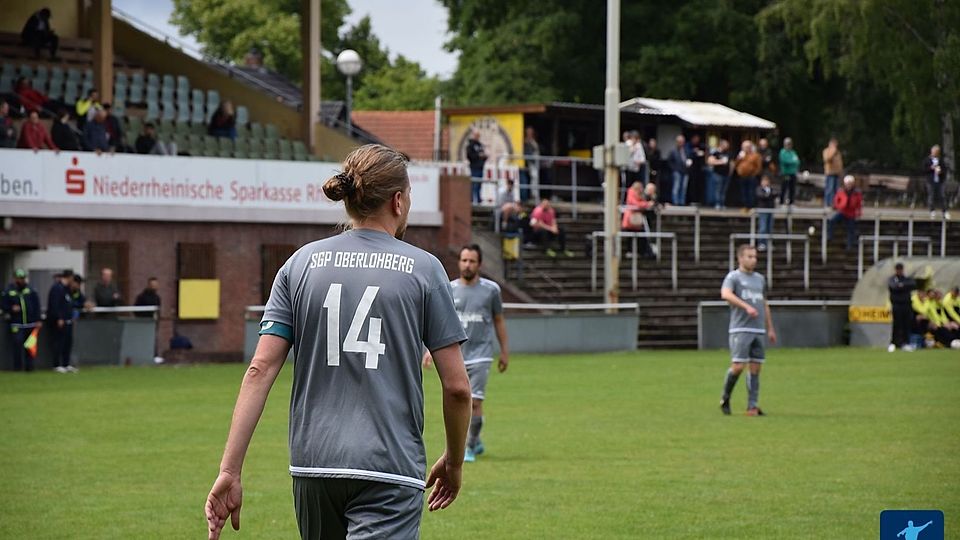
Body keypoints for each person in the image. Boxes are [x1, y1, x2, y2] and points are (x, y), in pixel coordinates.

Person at [205, 144, 472, 540]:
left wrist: (229, 470)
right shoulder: (424, 269)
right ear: (398, 202)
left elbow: (259, 370)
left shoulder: (298, 265)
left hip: (313, 467)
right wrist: (453, 460)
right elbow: (457, 388)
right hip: (388, 468)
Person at [423, 245, 509, 463]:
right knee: (463, 400)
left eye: (471, 261)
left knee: (474, 402)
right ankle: (476, 439)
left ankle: (468, 447)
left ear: (479, 264)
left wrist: (504, 352)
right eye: (464, 260)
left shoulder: (492, 290)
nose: (467, 265)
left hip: (481, 354)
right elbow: (439, 324)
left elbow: (498, 320)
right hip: (457, 356)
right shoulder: (449, 288)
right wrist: (429, 351)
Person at [720, 244, 776, 416]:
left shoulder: (759, 279)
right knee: (738, 366)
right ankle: (725, 398)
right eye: (750, 256)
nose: (753, 260)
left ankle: (752, 406)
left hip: (758, 329)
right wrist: (746, 307)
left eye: (755, 257)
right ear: (740, 258)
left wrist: (770, 328)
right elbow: (726, 294)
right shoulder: (733, 277)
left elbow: (763, 303)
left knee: (755, 367)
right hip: (741, 328)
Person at [2, 269, 42, 372]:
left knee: (30, 346)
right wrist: (11, 308)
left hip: (30, 323)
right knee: (17, 344)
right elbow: (3, 305)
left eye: (23, 278)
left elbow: (37, 306)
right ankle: (17, 367)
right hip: (17, 323)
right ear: (15, 278)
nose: (21, 280)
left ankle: (29, 367)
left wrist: (38, 319)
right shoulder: (8, 291)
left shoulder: (31, 290)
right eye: (19, 278)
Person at [46, 270, 77, 373]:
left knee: (68, 342)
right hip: (59, 321)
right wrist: (58, 318)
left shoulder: (67, 289)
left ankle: (66, 363)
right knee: (58, 342)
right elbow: (54, 305)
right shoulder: (56, 288)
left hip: (68, 321)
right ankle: (56, 364)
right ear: (68, 277)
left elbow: (70, 303)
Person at [827, 175, 862, 250]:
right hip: (842, 211)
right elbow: (836, 200)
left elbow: (859, 204)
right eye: (847, 183)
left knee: (851, 230)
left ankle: (849, 246)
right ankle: (829, 236)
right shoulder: (841, 191)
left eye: (850, 183)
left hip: (851, 213)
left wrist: (858, 213)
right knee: (831, 221)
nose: (849, 185)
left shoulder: (856, 193)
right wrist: (838, 206)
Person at [887, 263, 916, 352]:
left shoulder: (906, 279)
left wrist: (901, 285)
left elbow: (912, 284)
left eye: (901, 269)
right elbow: (893, 287)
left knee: (906, 325)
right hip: (896, 305)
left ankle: (905, 343)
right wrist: (902, 286)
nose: (899, 271)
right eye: (898, 269)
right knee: (896, 325)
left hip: (906, 305)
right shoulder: (892, 279)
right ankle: (893, 343)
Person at [923, 144, 950, 220]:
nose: (935, 153)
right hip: (930, 181)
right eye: (934, 151)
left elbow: (945, 170)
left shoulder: (941, 161)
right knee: (931, 196)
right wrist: (931, 168)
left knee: (942, 196)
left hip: (940, 181)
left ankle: (945, 211)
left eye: (936, 152)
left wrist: (940, 172)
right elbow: (923, 170)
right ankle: (932, 211)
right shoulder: (927, 160)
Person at [734, 141, 762, 209]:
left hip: (751, 176)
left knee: (751, 192)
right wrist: (739, 158)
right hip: (742, 176)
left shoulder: (755, 155)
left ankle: (751, 206)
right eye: (744, 147)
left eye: (747, 147)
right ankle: (744, 206)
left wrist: (754, 174)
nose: (745, 148)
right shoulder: (741, 155)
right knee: (743, 192)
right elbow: (735, 164)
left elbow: (759, 166)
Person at [707, 139, 732, 209]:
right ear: (722, 145)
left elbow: (731, 163)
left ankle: (722, 203)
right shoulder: (715, 152)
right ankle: (717, 203)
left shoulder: (728, 153)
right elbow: (710, 161)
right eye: (726, 145)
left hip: (726, 175)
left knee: (724, 190)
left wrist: (730, 172)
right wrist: (721, 162)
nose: (727, 147)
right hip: (718, 174)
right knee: (718, 189)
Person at [466, 129, 487, 205]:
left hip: (480, 167)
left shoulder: (480, 145)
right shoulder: (470, 145)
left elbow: (483, 154)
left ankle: (478, 199)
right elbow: (469, 156)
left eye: (478, 135)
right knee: (474, 183)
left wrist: (484, 157)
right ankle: (471, 200)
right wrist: (478, 156)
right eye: (476, 135)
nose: (477, 137)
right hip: (474, 167)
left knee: (479, 184)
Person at [667, 135, 690, 206]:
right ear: (677, 142)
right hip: (677, 171)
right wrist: (674, 169)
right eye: (679, 142)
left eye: (682, 142)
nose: (681, 143)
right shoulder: (673, 151)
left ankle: (681, 202)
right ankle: (675, 202)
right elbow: (669, 161)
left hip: (685, 171)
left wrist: (689, 163)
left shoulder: (686, 150)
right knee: (676, 187)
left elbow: (689, 158)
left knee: (683, 188)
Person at [756, 175, 777, 251]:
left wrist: (768, 195)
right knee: (763, 228)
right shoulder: (759, 189)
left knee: (770, 228)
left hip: (770, 210)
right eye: (763, 181)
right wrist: (768, 196)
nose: (765, 182)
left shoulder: (771, 189)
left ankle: (769, 243)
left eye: (766, 181)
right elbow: (761, 196)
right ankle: (762, 243)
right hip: (763, 210)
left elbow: (775, 194)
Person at [520, 126, 540, 202]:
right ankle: (533, 195)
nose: (530, 133)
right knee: (533, 177)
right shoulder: (526, 141)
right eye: (528, 132)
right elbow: (526, 152)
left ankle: (535, 194)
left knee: (535, 178)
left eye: (531, 132)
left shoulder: (533, 140)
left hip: (535, 162)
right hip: (530, 162)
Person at [822, 137, 843, 208]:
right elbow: (827, 159)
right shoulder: (826, 151)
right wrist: (833, 152)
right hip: (830, 173)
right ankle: (827, 203)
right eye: (834, 144)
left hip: (837, 173)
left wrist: (840, 172)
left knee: (836, 189)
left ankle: (835, 204)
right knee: (829, 189)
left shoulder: (838, 153)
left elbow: (840, 163)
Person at [778, 137, 800, 205]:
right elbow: (785, 161)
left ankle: (791, 202)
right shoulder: (782, 152)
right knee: (784, 187)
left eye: (790, 144)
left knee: (792, 188)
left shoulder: (793, 152)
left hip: (793, 173)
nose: (789, 145)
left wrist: (793, 162)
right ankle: (781, 201)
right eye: (787, 144)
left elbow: (798, 161)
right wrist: (792, 161)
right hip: (785, 173)